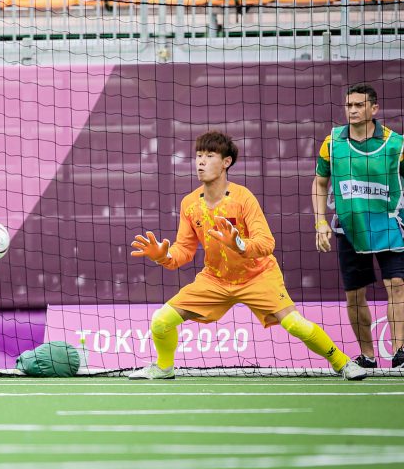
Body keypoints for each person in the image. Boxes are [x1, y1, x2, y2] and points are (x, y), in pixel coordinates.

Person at [129, 130, 365, 380]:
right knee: (160, 321)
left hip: (258, 275)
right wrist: (162, 256)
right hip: (216, 279)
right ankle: (164, 368)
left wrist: (240, 245)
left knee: (295, 324)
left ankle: (342, 363)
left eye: (209, 156)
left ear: (226, 162)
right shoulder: (190, 203)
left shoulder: (243, 198)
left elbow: (266, 242)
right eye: (198, 156)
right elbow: (183, 251)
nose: (201, 161)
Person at [312, 83, 404, 369]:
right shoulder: (332, 142)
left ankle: (400, 352)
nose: (352, 110)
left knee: (397, 285)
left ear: (373, 109)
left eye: (359, 105)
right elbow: (320, 182)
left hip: (388, 223)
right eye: (349, 105)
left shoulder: (396, 144)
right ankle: (367, 356)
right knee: (354, 294)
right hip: (349, 227)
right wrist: (320, 222)